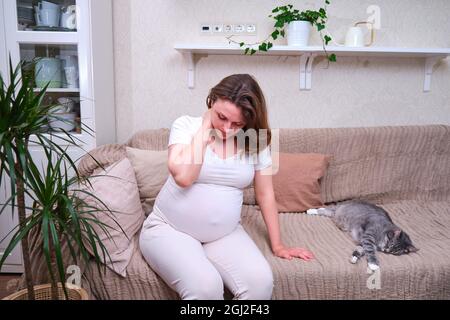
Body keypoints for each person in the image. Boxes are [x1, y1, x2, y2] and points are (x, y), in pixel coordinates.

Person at [139, 74, 314, 300]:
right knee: (207, 288)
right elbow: (183, 177)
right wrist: (204, 129)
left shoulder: (255, 139)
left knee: (261, 284)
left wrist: (278, 245)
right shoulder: (185, 125)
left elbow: (265, 193)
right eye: (221, 117)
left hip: (223, 235)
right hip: (169, 230)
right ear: (212, 100)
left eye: (237, 124)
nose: (227, 129)